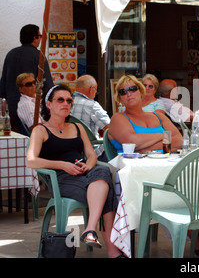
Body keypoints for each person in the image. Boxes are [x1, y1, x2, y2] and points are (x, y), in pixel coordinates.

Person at [26, 84, 123, 258]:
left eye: (69, 100)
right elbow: (31, 161)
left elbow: (91, 155)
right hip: (62, 179)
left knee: (104, 172)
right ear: (49, 104)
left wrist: (88, 165)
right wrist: (63, 165)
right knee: (107, 192)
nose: (66, 103)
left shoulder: (77, 128)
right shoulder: (40, 130)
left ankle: (91, 229)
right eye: (60, 100)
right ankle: (112, 251)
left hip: (85, 173)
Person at [108, 75, 182, 153]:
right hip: (135, 164)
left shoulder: (158, 116)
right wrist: (163, 135)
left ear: (141, 92)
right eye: (123, 92)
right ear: (120, 99)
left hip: (167, 163)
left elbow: (179, 141)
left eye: (132, 89)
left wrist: (146, 149)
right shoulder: (118, 118)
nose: (128, 94)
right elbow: (133, 142)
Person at [0, 24, 53, 134]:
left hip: (12, 107)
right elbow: (47, 84)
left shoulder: (10, 54)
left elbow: (3, 82)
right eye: (40, 36)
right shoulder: (38, 55)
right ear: (35, 38)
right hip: (31, 107)